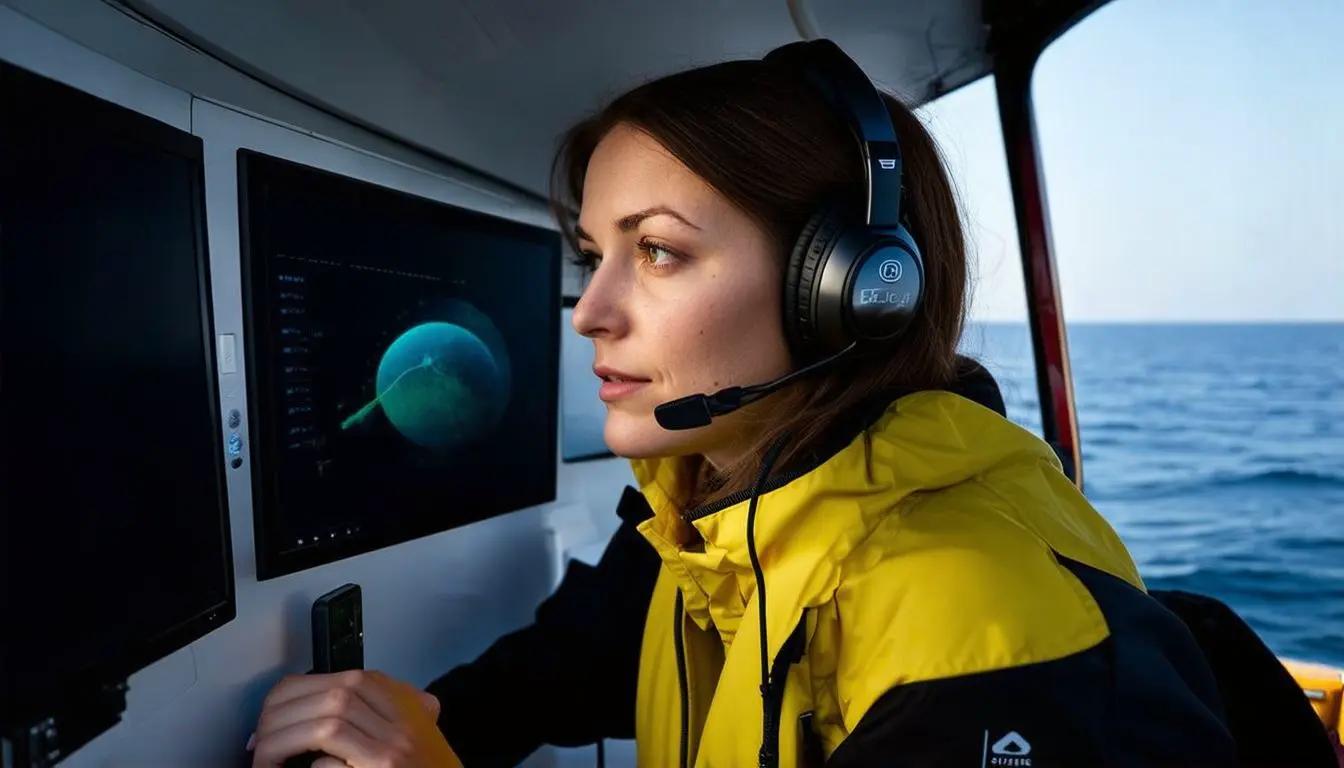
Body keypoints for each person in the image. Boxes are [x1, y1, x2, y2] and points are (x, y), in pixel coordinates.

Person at [249, 40, 1242, 767]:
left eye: (660, 252)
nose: (590, 313)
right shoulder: (707, 520)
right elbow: (549, 673)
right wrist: (406, 726)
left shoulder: (984, 635)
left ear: (844, 289)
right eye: (594, 258)